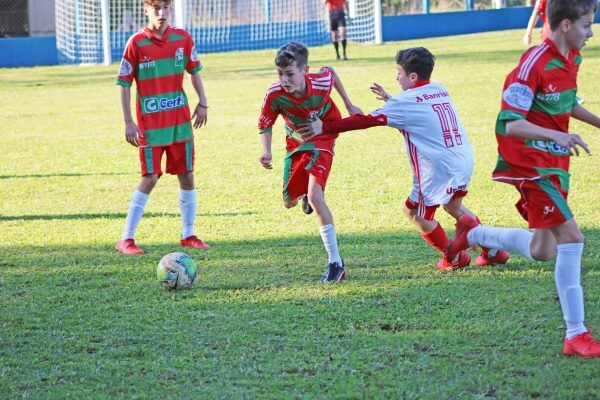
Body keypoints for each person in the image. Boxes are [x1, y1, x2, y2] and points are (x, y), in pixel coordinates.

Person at [446, 0, 600, 358]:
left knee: (542, 250)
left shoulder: (571, 59)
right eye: (587, 25)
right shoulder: (533, 63)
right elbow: (511, 123)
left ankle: (475, 234)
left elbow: (567, 104)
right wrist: (557, 136)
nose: (591, 32)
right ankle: (576, 334)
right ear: (564, 25)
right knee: (572, 238)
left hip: (555, 161)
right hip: (529, 163)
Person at [298, 47, 509, 271]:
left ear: (413, 76)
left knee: (414, 213)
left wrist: (325, 126)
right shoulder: (439, 89)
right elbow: (419, 110)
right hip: (462, 159)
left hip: (435, 169)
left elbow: (367, 121)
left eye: (399, 72)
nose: (396, 77)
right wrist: (391, 99)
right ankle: (493, 251)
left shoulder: (404, 104)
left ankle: (454, 258)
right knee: (454, 207)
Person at [258, 41, 361, 282]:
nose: (284, 80)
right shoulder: (275, 94)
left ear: (305, 71)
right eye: (280, 74)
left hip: (323, 135)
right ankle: (304, 195)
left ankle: (336, 262)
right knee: (288, 202)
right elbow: (265, 122)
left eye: (290, 74)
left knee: (316, 197)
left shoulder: (320, 81)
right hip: (295, 143)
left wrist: (348, 104)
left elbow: (331, 73)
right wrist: (266, 151)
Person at [115, 0, 210, 255]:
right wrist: (128, 121)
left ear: (171, 10)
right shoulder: (136, 43)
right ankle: (126, 238)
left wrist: (203, 102)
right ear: (146, 10)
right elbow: (124, 84)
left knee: (187, 174)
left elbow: (194, 71)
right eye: (156, 7)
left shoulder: (182, 38)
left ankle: (188, 234)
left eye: (166, 7)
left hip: (179, 123)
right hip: (150, 126)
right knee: (150, 177)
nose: (161, 12)